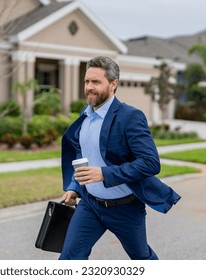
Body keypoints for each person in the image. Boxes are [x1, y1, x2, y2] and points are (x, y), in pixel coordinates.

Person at [59, 56, 181, 260]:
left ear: (113, 84)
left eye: (96, 82)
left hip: (124, 208)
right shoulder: (86, 115)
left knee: (141, 259)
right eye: (87, 81)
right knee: (69, 258)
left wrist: (104, 174)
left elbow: (150, 163)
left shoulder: (130, 116)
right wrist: (75, 186)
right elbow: (82, 152)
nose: (89, 87)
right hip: (90, 205)